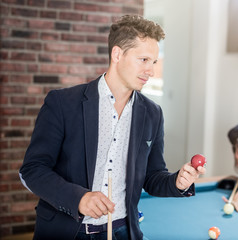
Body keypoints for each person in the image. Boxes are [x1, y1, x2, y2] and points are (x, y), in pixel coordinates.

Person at [19, 15, 206, 240]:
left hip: (123, 232)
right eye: (144, 60)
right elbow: (32, 170)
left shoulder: (153, 113)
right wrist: (79, 198)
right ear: (117, 54)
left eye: (154, 62)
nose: (151, 71)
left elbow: (152, 176)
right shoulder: (62, 103)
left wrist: (178, 182)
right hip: (66, 232)